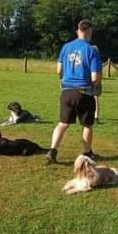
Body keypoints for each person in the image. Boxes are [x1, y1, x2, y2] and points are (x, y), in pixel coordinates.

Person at [45, 20, 102, 165]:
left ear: (78, 31)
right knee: (87, 125)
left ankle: (52, 150)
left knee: (62, 123)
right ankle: (87, 153)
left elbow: (59, 70)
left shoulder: (66, 47)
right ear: (90, 32)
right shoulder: (92, 50)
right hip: (84, 92)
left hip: (66, 92)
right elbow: (95, 77)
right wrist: (97, 83)